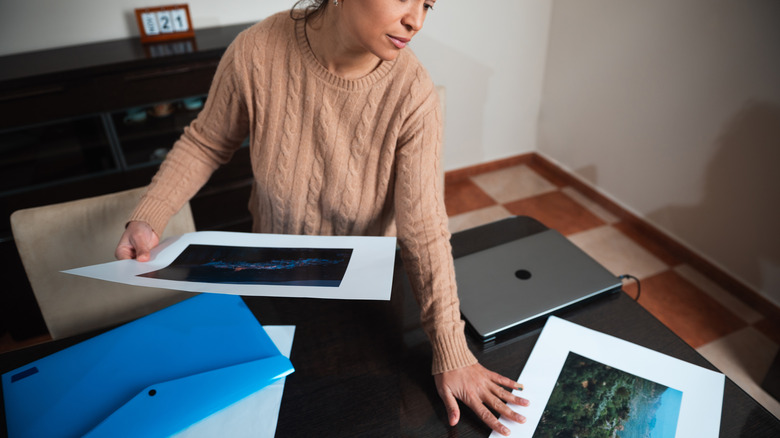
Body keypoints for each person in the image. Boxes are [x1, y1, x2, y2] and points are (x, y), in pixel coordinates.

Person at [115, 0, 529, 434]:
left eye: (427, 4)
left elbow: (424, 228)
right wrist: (150, 214)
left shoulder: (412, 93)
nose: (417, 20)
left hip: (366, 287)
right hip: (271, 275)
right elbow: (205, 143)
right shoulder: (256, 50)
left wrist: (451, 348)